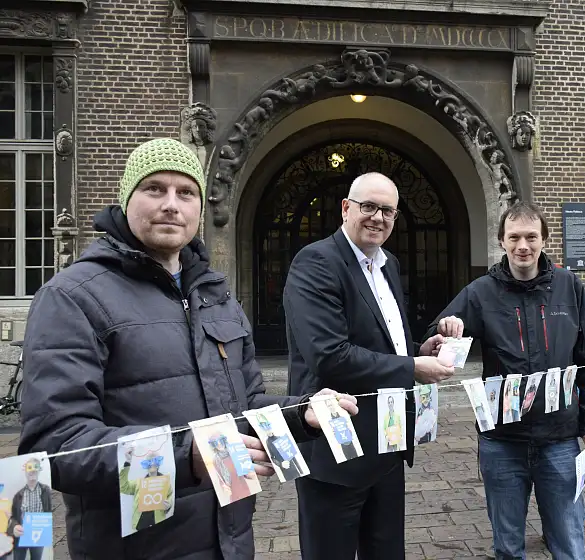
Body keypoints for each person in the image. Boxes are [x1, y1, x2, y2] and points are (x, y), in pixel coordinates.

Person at [17, 138, 358, 559]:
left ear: (200, 207)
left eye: (186, 192)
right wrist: (185, 458)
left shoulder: (215, 294)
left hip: (229, 541)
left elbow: (244, 404)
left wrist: (301, 414)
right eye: (154, 189)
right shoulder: (72, 297)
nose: (171, 204)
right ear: (126, 198)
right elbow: (58, 445)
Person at [427, 201, 585, 559]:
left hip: (559, 437)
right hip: (502, 440)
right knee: (508, 547)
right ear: (502, 241)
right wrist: (444, 332)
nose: (522, 245)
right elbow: (435, 340)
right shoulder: (481, 291)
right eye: (514, 237)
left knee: (569, 543)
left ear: (544, 239)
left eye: (530, 236)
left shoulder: (569, 286)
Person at [284, 171, 452, 560]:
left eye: (388, 211)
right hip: (337, 451)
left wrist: (419, 348)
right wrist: (412, 367)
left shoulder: (388, 262)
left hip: (387, 445)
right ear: (346, 208)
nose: (378, 217)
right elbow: (330, 356)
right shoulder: (316, 262)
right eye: (369, 207)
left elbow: (380, 340)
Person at [119, 448, 173, 532]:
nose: (151, 464)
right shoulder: (139, 483)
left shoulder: (165, 483)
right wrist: (127, 462)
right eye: (149, 462)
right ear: (146, 465)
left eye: (154, 461)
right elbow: (123, 487)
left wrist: (169, 505)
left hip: (158, 525)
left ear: (158, 464)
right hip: (140, 525)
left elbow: (170, 495)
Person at [7, 459, 50, 560]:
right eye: (29, 468)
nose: (32, 471)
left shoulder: (45, 491)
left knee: (36, 558)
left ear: (39, 470)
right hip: (21, 535)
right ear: (25, 471)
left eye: (35, 468)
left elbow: (48, 511)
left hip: (39, 534)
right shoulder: (18, 495)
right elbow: (13, 517)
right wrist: (14, 527)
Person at [257, 414, 306, 481]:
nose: (267, 429)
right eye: (264, 427)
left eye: (268, 426)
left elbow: (292, 454)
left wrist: (301, 471)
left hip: (293, 466)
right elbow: (272, 457)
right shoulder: (268, 442)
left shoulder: (280, 438)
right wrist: (280, 464)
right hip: (285, 469)